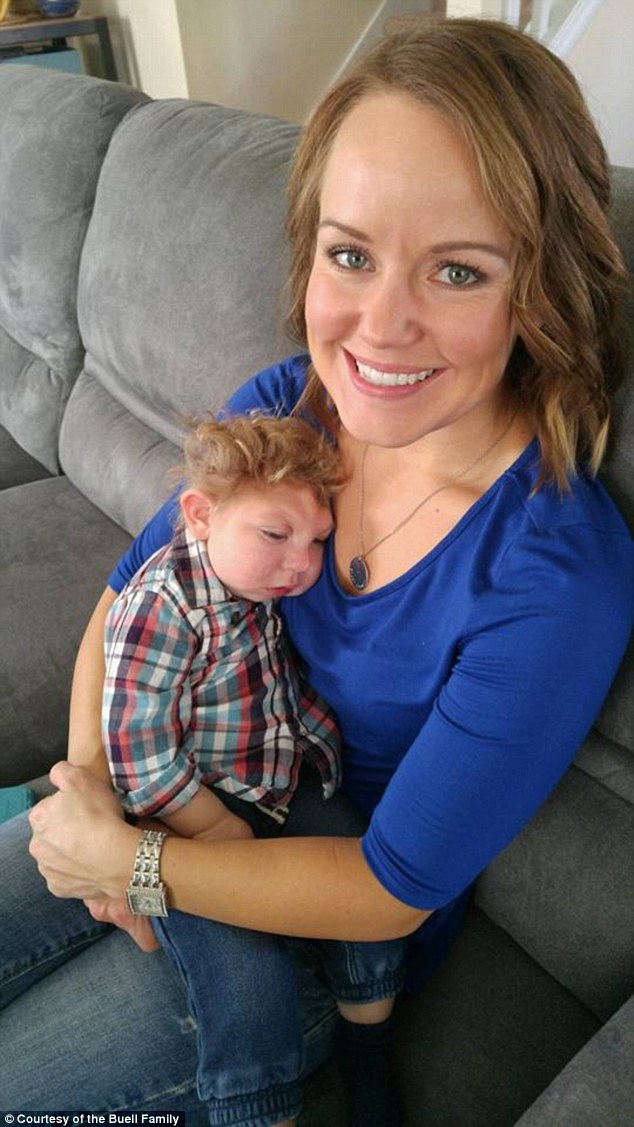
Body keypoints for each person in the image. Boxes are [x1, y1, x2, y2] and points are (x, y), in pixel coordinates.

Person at [1, 15, 633, 1127]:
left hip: (305, 929)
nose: (379, 328)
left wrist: (136, 864)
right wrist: (94, 792)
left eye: (457, 270)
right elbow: (126, 598)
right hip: (165, 795)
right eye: (351, 255)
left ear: (542, 287)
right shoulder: (289, 409)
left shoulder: (551, 577)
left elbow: (389, 889)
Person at [101, 411, 406, 1125]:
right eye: (275, 535)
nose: (301, 565)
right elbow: (137, 753)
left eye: (317, 541)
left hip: (274, 779)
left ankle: (369, 1043)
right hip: (182, 808)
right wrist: (213, 828)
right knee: (246, 981)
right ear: (200, 515)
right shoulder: (162, 606)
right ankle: (257, 1106)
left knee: (365, 879)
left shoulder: (259, 584)